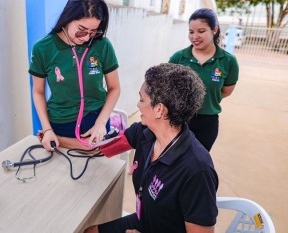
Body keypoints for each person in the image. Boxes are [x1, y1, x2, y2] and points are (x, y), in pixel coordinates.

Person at [85, 63, 218, 233]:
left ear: (159, 109)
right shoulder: (143, 133)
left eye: (141, 99)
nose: (138, 105)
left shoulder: (197, 170)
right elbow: (101, 149)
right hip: (145, 220)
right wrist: (54, 137)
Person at [28, 0, 120, 151]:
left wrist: (100, 123)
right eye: (81, 30)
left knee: (98, 170)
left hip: (96, 120)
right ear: (68, 18)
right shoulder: (43, 48)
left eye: (93, 32)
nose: (86, 37)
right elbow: (38, 92)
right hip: (60, 123)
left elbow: (114, 88)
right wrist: (48, 129)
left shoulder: (102, 45)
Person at [169, 8, 239, 151]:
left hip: (207, 122)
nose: (195, 37)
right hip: (179, 118)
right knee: (173, 160)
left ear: (214, 29)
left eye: (201, 31)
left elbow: (226, 91)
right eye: (191, 32)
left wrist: (203, 99)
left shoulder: (228, 61)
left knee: (197, 162)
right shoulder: (178, 58)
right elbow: (168, 88)